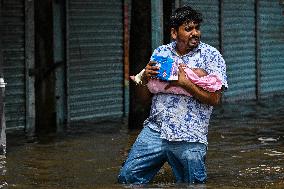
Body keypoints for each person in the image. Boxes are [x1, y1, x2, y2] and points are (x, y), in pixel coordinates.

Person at [118, 5, 228, 184]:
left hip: (190, 136)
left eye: (197, 28)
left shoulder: (211, 56)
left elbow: (215, 99)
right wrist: (145, 77)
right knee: (128, 178)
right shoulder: (161, 53)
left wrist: (185, 83)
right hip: (155, 131)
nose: (195, 33)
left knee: (193, 184)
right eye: (188, 28)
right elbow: (143, 98)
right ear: (174, 33)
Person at [130, 66, 222, 97]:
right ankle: (139, 79)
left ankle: (138, 78)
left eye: (195, 69)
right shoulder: (197, 84)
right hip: (157, 87)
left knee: (156, 74)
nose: (193, 68)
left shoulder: (192, 76)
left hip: (162, 83)